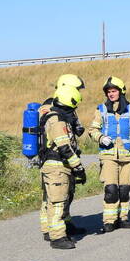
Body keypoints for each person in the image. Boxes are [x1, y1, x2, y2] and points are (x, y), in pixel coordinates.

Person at [89, 76, 130, 233]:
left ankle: (123, 219)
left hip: (127, 156)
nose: (111, 94)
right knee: (111, 190)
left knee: (124, 190)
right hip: (108, 156)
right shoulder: (101, 109)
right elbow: (93, 130)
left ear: (121, 92)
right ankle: (109, 221)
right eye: (108, 92)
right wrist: (101, 138)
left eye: (113, 91)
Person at [38, 83, 88, 249]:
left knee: (54, 201)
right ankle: (57, 238)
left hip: (57, 166)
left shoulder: (57, 117)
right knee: (57, 203)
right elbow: (65, 148)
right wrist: (79, 168)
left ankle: (51, 231)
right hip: (57, 167)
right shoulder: (58, 121)